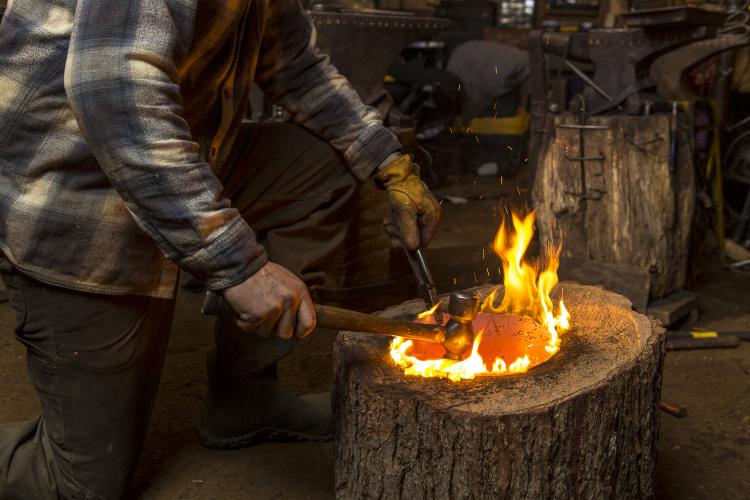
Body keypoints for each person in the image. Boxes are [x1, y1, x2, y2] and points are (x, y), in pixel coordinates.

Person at [0, 1, 440, 498]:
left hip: (170, 160)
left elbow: (294, 64)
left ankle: (244, 397)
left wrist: (389, 163)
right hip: (73, 199)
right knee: (80, 485)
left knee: (322, 164)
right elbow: (115, 93)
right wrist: (239, 268)